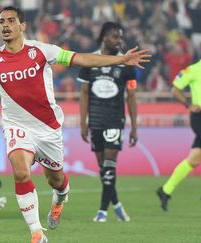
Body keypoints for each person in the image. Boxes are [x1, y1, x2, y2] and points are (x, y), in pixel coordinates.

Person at [0, 6, 150, 242]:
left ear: (22, 26)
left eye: (11, 21)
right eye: (1, 22)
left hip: (48, 129)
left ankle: (61, 197)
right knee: (21, 172)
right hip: (17, 127)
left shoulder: (42, 51)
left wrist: (118, 60)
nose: (5, 26)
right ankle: (36, 232)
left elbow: (80, 59)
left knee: (56, 180)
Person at [156, 37, 201, 211]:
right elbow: (175, 88)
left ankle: (165, 190)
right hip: (200, 116)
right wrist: (188, 104)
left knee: (194, 160)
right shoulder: (194, 69)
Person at [78, 22, 137, 223]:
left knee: (110, 167)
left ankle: (102, 212)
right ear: (104, 38)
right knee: (103, 170)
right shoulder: (89, 60)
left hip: (115, 120)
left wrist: (134, 127)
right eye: (114, 37)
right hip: (95, 120)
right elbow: (84, 94)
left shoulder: (126, 63)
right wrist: (83, 122)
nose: (118, 41)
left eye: (120, 37)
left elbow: (131, 96)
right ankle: (118, 205)